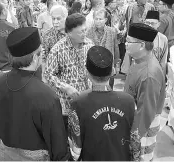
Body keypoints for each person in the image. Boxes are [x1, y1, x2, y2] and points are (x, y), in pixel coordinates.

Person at [0, 27, 70, 161]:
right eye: (41, 53)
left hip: (5, 153)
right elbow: (57, 142)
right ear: (35, 57)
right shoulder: (45, 95)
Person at [68, 46, 135, 161]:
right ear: (113, 71)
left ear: (86, 72)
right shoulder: (128, 101)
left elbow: (75, 150)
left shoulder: (77, 103)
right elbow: (135, 141)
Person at [44, 13, 94, 130]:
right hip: (67, 103)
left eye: (85, 30)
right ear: (69, 32)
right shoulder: (58, 49)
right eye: (81, 32)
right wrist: (65, 87)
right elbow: (49, 74)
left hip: (87, 99)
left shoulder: (89, 44)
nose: (84, 34)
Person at [124, 23, 166, 161]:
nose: (125, 44)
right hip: (135, 116)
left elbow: (146, 113)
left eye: (129, 41)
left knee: (142, 157)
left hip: (142, 127)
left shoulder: (149, 75)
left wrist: (134, 137)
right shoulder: (138, 59)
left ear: (141, 45)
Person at [145, 10, 168, 74]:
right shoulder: (137, 36)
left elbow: (163, 60)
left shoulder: (163, 39)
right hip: (139, 72)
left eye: (152, 23)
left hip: (156, 72)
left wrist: (162, 78)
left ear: (158, 24)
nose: (149, 26)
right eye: (147, 23)